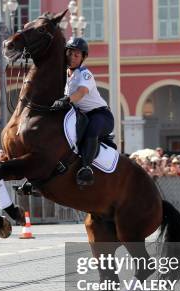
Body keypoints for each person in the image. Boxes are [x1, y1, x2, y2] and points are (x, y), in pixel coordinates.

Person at [52, 37, 115, 186]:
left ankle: (86, 168)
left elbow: (81, 92)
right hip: (82, 116)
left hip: (100, 115)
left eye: (76, 55)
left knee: (91, 130)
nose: (72, 58)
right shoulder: (64, 75)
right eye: (70, 53)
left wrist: (66, 100)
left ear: (82, 58)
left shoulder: (85, 74)